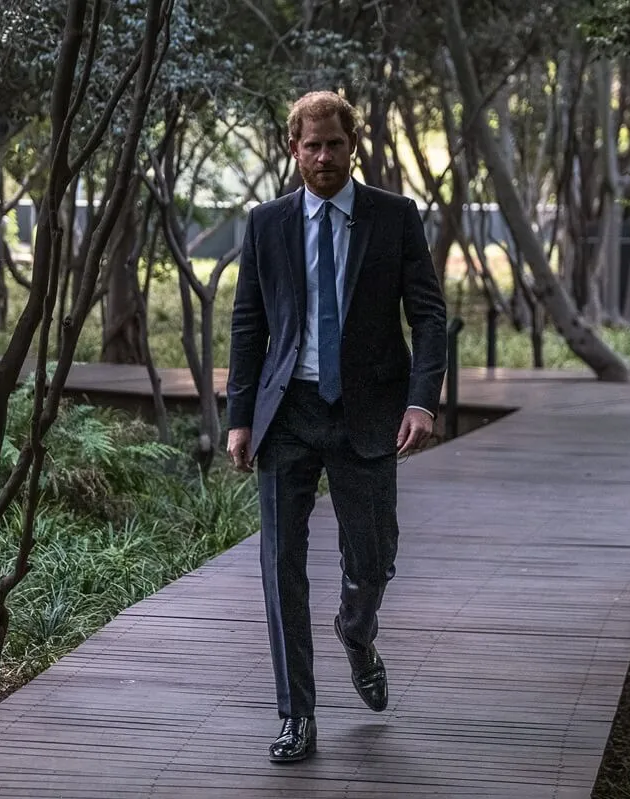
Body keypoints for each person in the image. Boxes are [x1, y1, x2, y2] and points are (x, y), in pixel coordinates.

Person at [225, 90, 447, 763]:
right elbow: (248, 321)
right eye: (311, 145)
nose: (324, 156)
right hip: (287, 411)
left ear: (354, 146)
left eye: (336, 144)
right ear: (293, 149)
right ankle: (297, 714)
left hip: (369, 411)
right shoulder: (267, 223)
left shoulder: (394, 217)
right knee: (280, 564)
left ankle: (356, 628)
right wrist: (239, 416)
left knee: (373, 556)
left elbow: (429, 315)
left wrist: (422, 400)